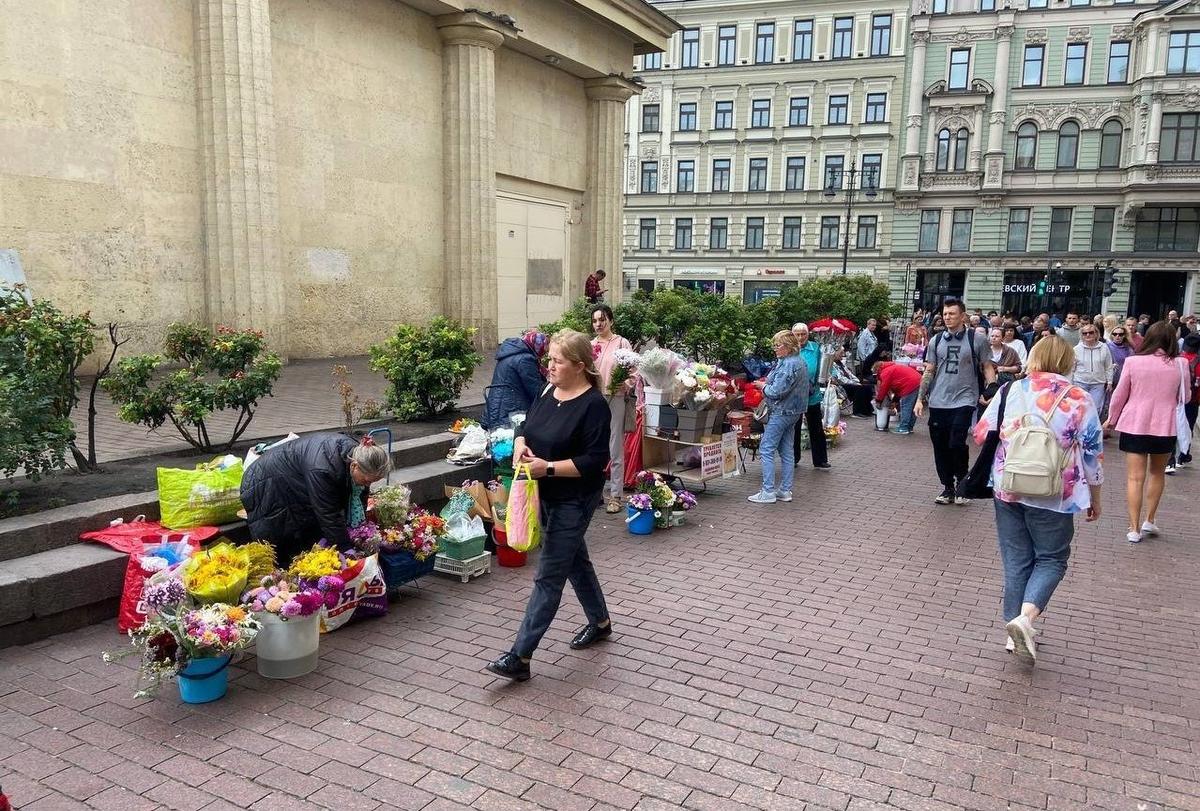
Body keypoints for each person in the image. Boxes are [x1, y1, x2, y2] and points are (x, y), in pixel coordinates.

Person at [486, 330, 612, 681]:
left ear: (579, 366)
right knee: (575, 560)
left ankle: (520, 657)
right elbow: (527, 424)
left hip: (575, 497)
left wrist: (550, 467)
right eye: (549, 359)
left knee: (549, 576)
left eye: (557, 360)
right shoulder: (547, 389)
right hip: (542, 494)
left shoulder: (594, 406)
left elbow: (593, 460)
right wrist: (520, 444)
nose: (549, 366)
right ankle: (601, 622)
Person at [973, 337, 1103, 663]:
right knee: (1051, 559)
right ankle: (1025, 618)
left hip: (1008, 484)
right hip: (1055, 492)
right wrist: (1094, 497)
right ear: (1066, 362)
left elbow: (981, 433)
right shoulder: (1079, 399)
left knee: (1016, 562)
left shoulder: (1010, 391)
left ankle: (1011, 632)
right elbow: (1092, 455)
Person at [240, 434, 393, 563]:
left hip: (290, 478)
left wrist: (359, 529)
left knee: (311, 538)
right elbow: (327, 513)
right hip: (264, 483)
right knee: (280, 542)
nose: (368, 485)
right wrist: (346, 548)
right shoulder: (324, 469)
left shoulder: (359, 455)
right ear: (354, 466)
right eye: (367, 480)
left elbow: (358, 495)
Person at [1105, 321, 1190, 543]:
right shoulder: (1180, 364)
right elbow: (1186, 397)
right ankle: (1149, 519)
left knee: (1135, 478)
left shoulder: (1133, 362)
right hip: (1165, 425)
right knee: (1157, 474)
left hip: (1135, 423)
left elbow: (1120, 395)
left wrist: (1111, 420)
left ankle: (1133, 528)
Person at [915, 299, 995, 505]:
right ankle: (947, 487)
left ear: (962, 315)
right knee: (940, 446)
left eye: (952, 313)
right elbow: (930, 370)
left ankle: (962, 482)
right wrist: (919, 399)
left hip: (965, 398)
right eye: (945, 313)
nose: (947, 317)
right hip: (938, 400)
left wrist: (992, 386)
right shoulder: (936, 340)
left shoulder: (976, 339)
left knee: (956, 442)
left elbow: (987, 365)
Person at [747, 330, 809, 504]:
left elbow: (777, 391)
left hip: (781, 411)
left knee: (766, 449)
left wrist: (763, 387)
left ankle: (767, 492)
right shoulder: (798, 361)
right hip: (794, 412)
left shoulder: (788, 364)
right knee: (787, 451)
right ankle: (785, 490)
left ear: (788, 347)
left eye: (778, 345)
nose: (775, 348)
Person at [590, 305, 632, 514]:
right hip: (594, 399)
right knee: (593, 446)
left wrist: (627, 383)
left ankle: (615, 496)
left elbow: (634, 370)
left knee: (615, 447)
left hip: (615, 398)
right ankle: (595, 493)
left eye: (602, 320)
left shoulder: (622, 343)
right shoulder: (590, 345)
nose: (598, 324)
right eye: (595, 321)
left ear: (611, 321)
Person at [482, 330, 549, 429]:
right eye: (544, 349)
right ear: (538, 346)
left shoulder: (511, 353)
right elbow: (536, 390)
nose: (544, 353)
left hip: (496, 408)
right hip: (510, 413)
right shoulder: (525, 359)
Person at [792, 323, 831, 471]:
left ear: (808, 335)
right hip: (794, 395)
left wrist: (827, 376)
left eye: (803, 334)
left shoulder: (815, 348)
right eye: (797, 334)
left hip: (812, 393)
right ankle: (793, 458)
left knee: (816, 426)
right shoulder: (789, 348)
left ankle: (820, 460)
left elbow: (825, 364)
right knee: (793, 427)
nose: (800, 337)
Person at [1167, 332, 1199, 471]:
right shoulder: (1197, 361)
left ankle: (1171, 458)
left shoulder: (1178, 360)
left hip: (1176, 399)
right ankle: (1184, 455)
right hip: (1193, 400)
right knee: (1188, 427)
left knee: (1174, 427)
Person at [1072, 323, 1114, 416]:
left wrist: (1110, 382)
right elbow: (1072, 368)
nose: (1088, 335)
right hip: (1080, 382)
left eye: (1091, 332)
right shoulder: (1076, 349)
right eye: (1085, 333)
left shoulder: (1104, 347)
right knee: (1080, 408)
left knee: (1096, 408)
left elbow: (1108, 366)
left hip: (1098, 384)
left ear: (1096, 334)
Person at [873, 358, 922, 434]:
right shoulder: (892, 368)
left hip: (910, 385)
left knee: (906, 406)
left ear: (877, 369)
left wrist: (879, 400)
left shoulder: (885, 372)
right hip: (918, 382)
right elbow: (898, 387)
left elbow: (884, 387)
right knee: (913, 407)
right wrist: (895, 400)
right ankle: (909, 427)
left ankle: (903, 428)